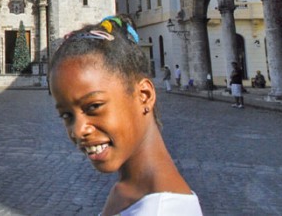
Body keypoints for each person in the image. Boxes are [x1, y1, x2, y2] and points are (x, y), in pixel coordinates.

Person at [48, 15, 203, 215]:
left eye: (94, 106)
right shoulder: (126, 191)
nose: (78, 131)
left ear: (144, 95)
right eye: (66, 115)